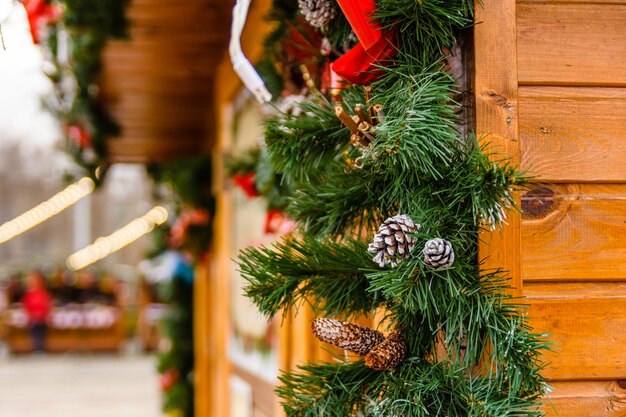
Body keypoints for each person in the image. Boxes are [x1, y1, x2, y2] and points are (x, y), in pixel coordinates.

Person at [22, 271, 52, 352]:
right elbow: (26, 305)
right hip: (33, 318)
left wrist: (43, 314)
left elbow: (46, 305)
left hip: (41, 317)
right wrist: (31, 315)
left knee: (41, 333)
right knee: (34, 332)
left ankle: (41, 348)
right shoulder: (29, 294)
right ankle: (35, 347)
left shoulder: (43, 293)